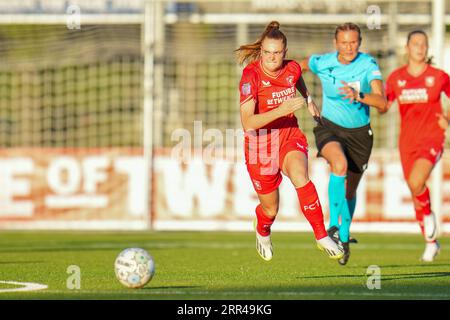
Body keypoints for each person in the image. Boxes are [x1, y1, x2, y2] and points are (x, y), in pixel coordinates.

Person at [235, 21, 343, 262]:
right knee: (271, 209)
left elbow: (297, 78)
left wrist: (309, 99)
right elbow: (248, 122)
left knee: (300, 175)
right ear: (261, 52)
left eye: (277, 53)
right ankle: (262, 230)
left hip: (288, 134)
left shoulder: (292, 68)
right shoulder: (250, 76)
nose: (272, 58)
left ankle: (320, 235)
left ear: (284, 52)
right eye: (267, 53)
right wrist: (281, 109)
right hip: (259, 146)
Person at [299, 23, 387, 265]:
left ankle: (344, 238)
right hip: (329, 128)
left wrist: (360, 96)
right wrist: (303, 96)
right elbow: (297, 68)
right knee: (338, 165)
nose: (349, 47)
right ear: (335, 43)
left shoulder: (368, 65)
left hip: (360, 134)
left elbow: (382, 102)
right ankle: (333, 227)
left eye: (353, 42)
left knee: (350, 190)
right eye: (344, 42)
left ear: (359, 42)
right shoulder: (322, 61)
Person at [384, 30, 450, 262]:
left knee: (416, 181)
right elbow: (384, 104)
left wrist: (448, 118)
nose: (420, 47)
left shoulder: (439, 76)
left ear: (428, 48)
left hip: (432, 138)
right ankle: (431, 243)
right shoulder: (396, 78)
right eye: (415, 43)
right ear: (408, 48)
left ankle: (430, 217)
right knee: (415, 190)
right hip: (407, 142)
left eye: (424, 44)